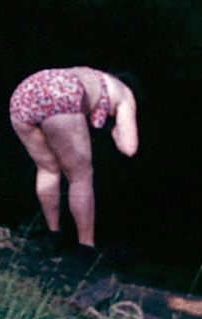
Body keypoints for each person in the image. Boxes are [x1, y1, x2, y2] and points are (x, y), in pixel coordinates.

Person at [8, 67, 139, 255]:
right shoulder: (125, 92)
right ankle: (86, 246)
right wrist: (114, 127)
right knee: (81, 175)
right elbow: (129, 147)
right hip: (61, 92)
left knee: (47, 169)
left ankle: (54, 235)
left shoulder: (91, 76)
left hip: (24, 93)